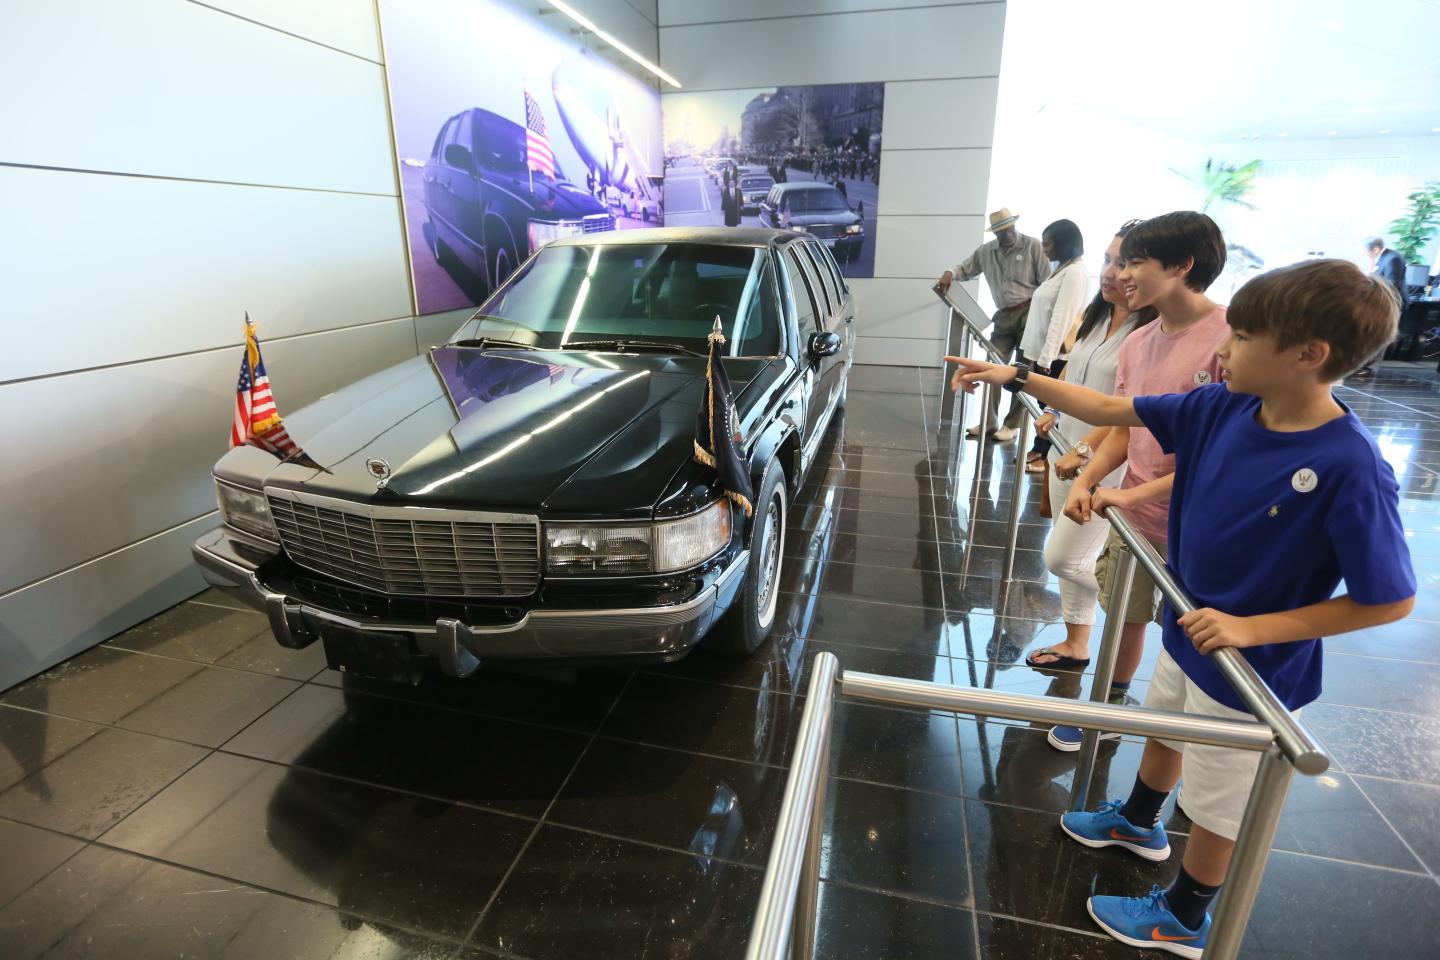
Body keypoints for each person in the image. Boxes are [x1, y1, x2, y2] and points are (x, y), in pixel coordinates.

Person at [947, 257, 1414, 956]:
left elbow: (1390, 600)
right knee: (1164, 726)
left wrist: (1251, 628)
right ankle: (1139, 820)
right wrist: (1016, 376)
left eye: (1244, 337)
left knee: (1216, 797)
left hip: (1249, 665)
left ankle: (1185, 916)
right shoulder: (1225, 405)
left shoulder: (1350, 464)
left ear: (1308, 357)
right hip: (1191, 623)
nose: (1223, 348)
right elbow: (1111, 410)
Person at [1036, 211, 1232, 750]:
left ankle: (1182, 740)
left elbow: (1224, 455)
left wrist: (1124, 489)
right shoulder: (1139, 341)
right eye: (1119, 262)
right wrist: (1090, 477)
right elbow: (1122, 423)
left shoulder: (1233, 340)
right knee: (1125, 615)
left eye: (1134, 262)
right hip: (1136, 516)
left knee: (1192, 639)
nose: (1122, 274)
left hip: (1203, 524)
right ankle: (1110, 704)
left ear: (1183, 265)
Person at [1023, 222, 1158, 670]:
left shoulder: (1149, 331)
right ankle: (1076, 642)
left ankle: (1136, 599)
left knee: (1063, 558)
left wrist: (1083, 451)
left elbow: (1125, 407)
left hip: (1103, 461)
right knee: (1071, 552)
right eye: (1108, 259)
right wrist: (1056, 411)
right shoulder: (1099, 313)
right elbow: (1071, 368)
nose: (1112, 272)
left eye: (1126, 263)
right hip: (1067, 446)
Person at [936, 208, 1052, 441]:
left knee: (1022, 369)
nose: (1006, 234)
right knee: (992, 366)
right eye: (1001, 231)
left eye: (1009, 229)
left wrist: (1044, 320)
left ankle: (1013, 424)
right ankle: (989, 420)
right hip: (1004, 314)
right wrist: (950, 272)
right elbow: (965, 268)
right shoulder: (986, 251)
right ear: (996, 233)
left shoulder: (1033, 246)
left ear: (1014, 226)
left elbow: (1048, 284)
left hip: (1030, 311)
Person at [1017, 219, 1090, 471]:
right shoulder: (1061, 269)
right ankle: (1042, 450)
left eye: (1048, 244)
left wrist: (1046, 359)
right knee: (1046, 407)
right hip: (1041, 354)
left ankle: (1045, 454)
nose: (1043, 248)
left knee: (1052, 409)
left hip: (1054, 358)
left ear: (1064, 244)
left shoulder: (1074, 273)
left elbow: (1062, 318)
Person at [1351, 237, 1410, 378]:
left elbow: (1392, 284)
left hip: (1391, 303)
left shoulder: (1392, 259)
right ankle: (1364, 365)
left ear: (1375, 249)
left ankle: (1369, 368)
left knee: (1380, 334)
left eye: (1365, 251)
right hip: (1383, 302)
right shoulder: (1384, 257)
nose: (1364, 254)